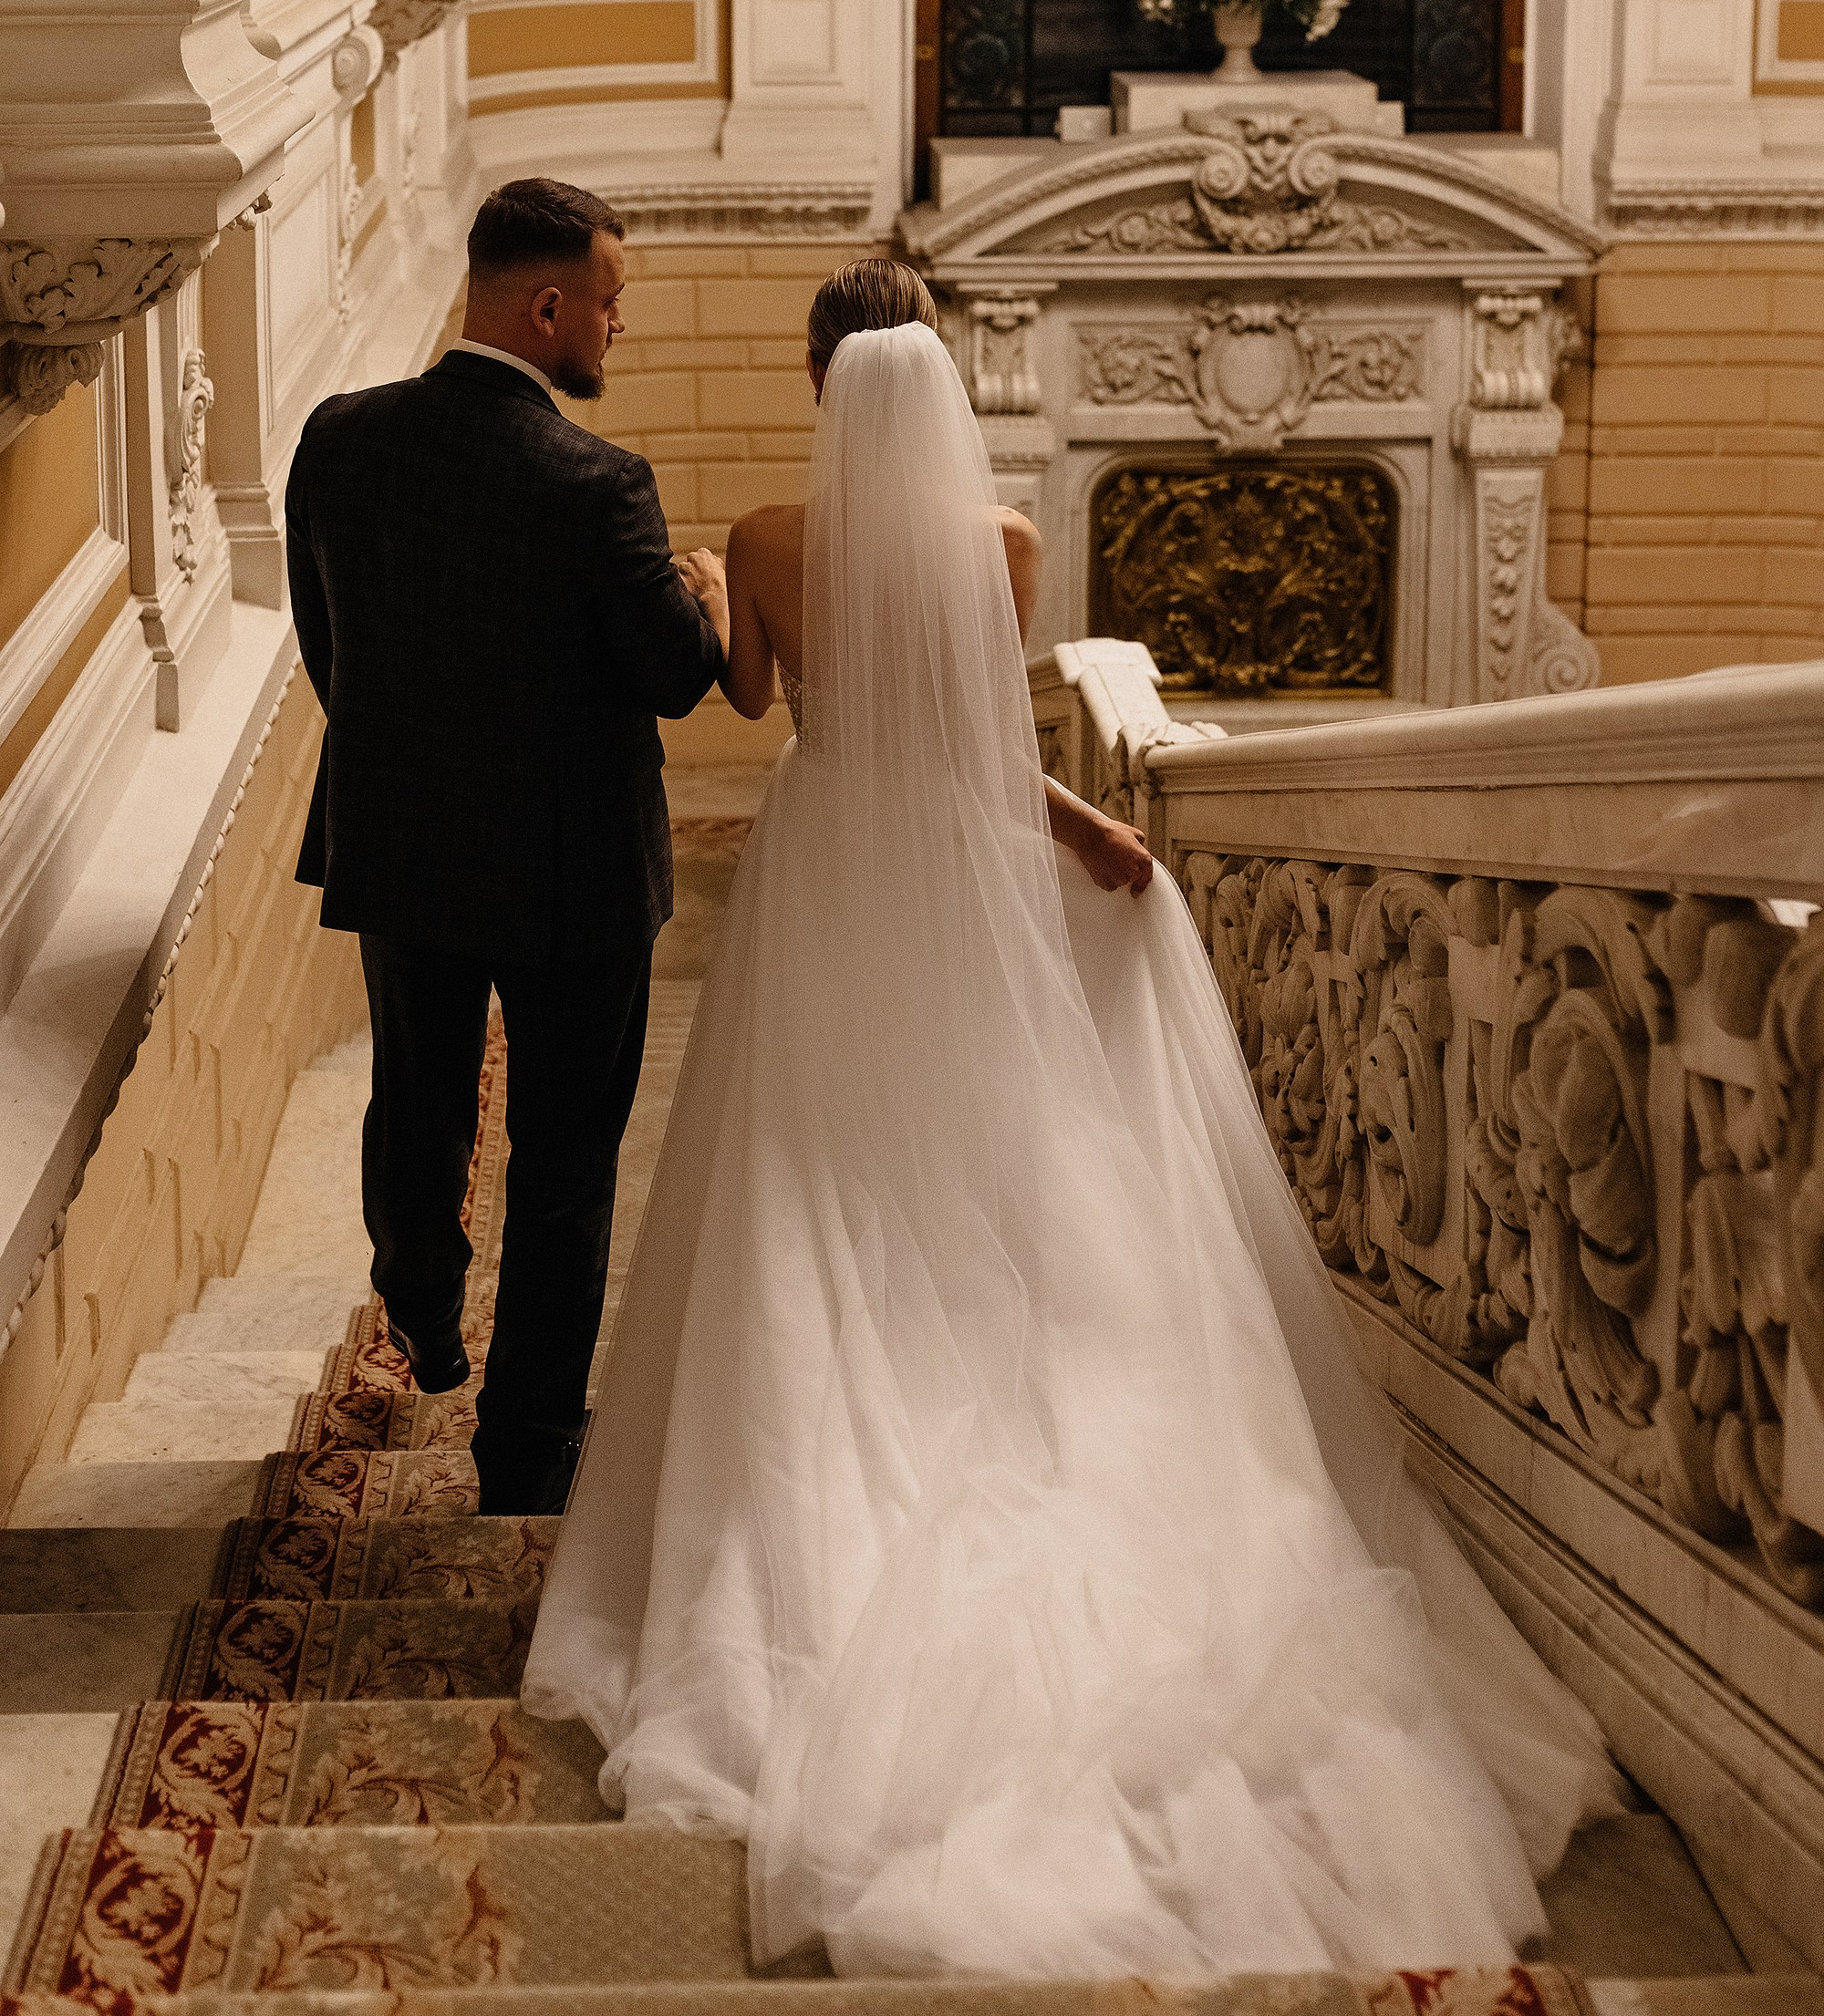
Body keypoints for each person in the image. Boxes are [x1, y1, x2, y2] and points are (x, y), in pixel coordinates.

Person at [522, 258, 1620, 1975]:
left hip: (829, 873)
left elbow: (755, 709)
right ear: (939, 379)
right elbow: (968, 745)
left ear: (824, 383)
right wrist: (1082, 833)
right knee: (994, 1168)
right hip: (956, 873)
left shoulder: (766, 531)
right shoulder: (1008, 548)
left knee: (813, 1184)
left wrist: (715, 587)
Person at [285, 176, 726, 1516]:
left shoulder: (339, 440)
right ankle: (526, 1456)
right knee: (564, 1158)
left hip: (405, 841)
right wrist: (701, 593)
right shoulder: (601, 484)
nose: (617, 327)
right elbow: (670, 677)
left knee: (418, 1097)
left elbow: (328, 638)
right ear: (546, 308)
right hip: (576, 879)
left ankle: (420, 1297)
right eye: (608, 302)